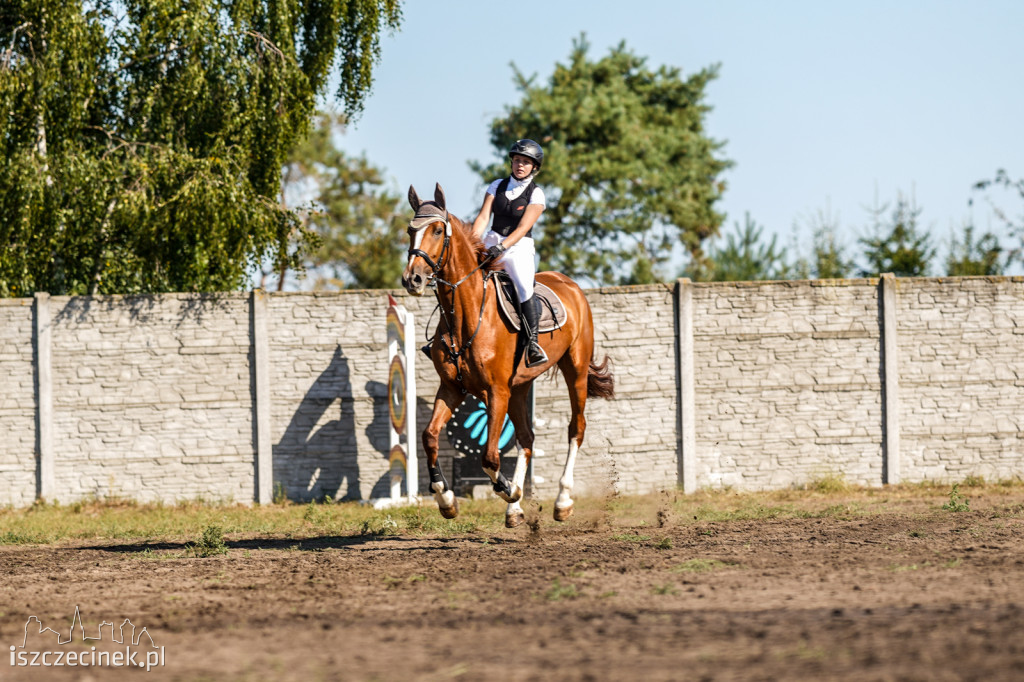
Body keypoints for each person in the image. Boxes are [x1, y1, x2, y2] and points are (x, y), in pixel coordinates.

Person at [472, 139, 548, 368]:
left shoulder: (537, 194)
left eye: (525, 162)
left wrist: (503, 247)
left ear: (534, 167)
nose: (520, 165)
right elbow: (484, 217)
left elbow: (523, 227)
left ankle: (533, 343)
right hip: (492, 238)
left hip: (518, 246)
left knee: (524, 286)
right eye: (517, 160)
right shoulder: (497, 185)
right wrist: (473, 243)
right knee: (462, 273)